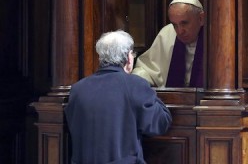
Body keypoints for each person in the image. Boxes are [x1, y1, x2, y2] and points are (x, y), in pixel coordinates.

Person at [64, 30, 172, 164]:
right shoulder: (135, 85)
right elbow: (160, 123)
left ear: (101, 57)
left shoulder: (78, 89)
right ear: (129, 57)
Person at [132, 0, 204, 88]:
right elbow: (147, 69)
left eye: (184, 23)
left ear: (201, 18)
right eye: (174, 25)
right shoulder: (167, 33)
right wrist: (137, 79)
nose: (179, 31)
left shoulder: (215, 38)